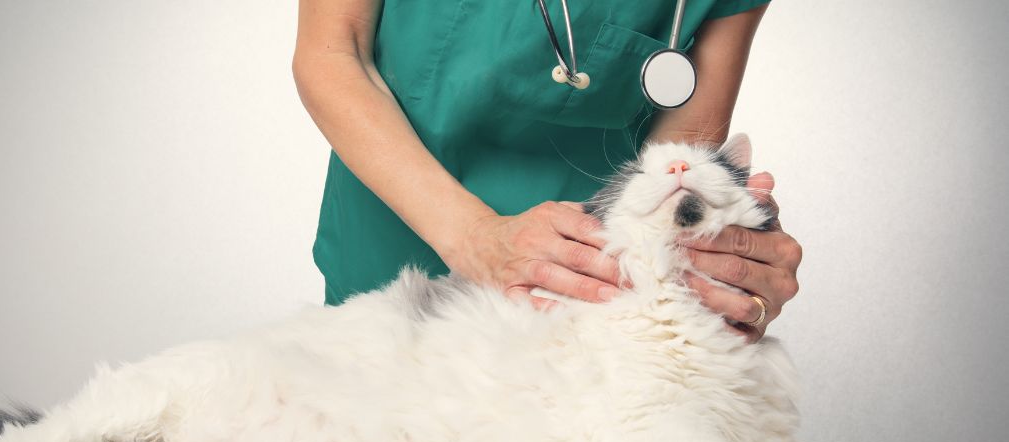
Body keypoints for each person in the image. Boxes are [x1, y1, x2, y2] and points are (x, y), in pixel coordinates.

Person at [292, 0, 801, 341]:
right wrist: (475, 237)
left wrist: (716, 249)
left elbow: (683, 139)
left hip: (588, 296)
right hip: (400, 270)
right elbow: (333, 52)